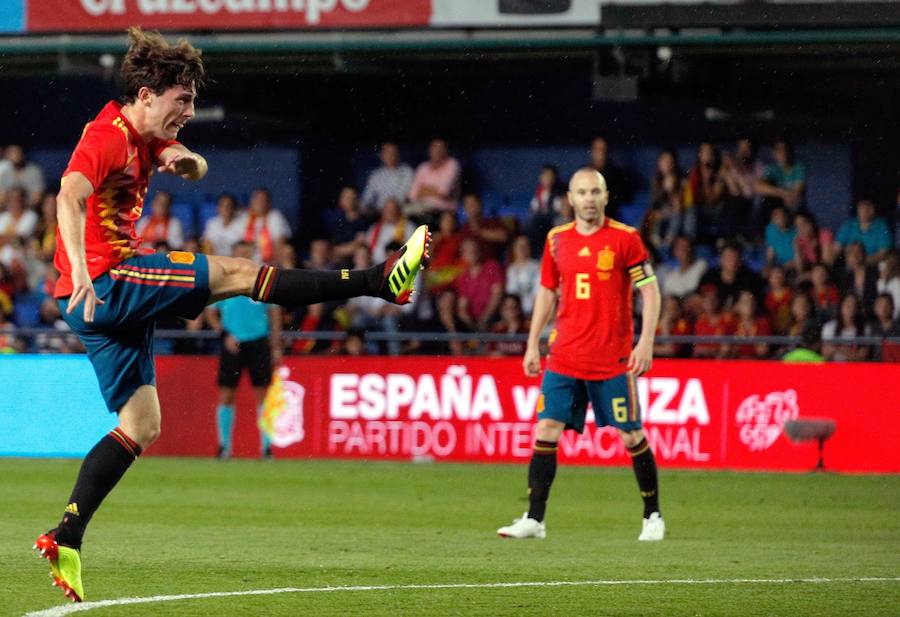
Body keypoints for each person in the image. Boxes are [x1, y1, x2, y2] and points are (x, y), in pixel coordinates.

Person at [33, 27, 431, 604]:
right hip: (106, 281)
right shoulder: (105, 138)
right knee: (241, 274)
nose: (189, 111)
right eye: (182, 101)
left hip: (96, 299)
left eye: (192, 101)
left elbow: (173, 154)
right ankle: (378, 282)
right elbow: (67, 195)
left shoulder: (139, 130)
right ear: (147, 93)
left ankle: (66, 534)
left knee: (142, 424)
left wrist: (183, 157)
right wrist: (81, 266)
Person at [496, 168, 663, 542]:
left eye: (595, 192)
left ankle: (652, 515)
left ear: (605, 197)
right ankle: (534, 519)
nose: (589, 199)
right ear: (570, 199)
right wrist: (531, 342)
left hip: (613, 359)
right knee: (545, 429)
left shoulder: (625, 239)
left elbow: (650, 292)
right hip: (565, 356)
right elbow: (547, 292)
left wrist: (646, 342)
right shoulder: (556, 240)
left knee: (631, 434)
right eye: (582, 193)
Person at [205, 241, 283, 460]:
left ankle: (267, 448)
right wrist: (224, 334)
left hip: (259, 341)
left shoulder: (261, 279)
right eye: (240, 254)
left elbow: (275, 312)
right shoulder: (224, 281)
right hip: (233, 342)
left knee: (263, 394)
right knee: (227, 394)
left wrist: (276, 344)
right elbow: (211, 313)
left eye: (247, 254)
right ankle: (224, 447)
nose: (243, 258)